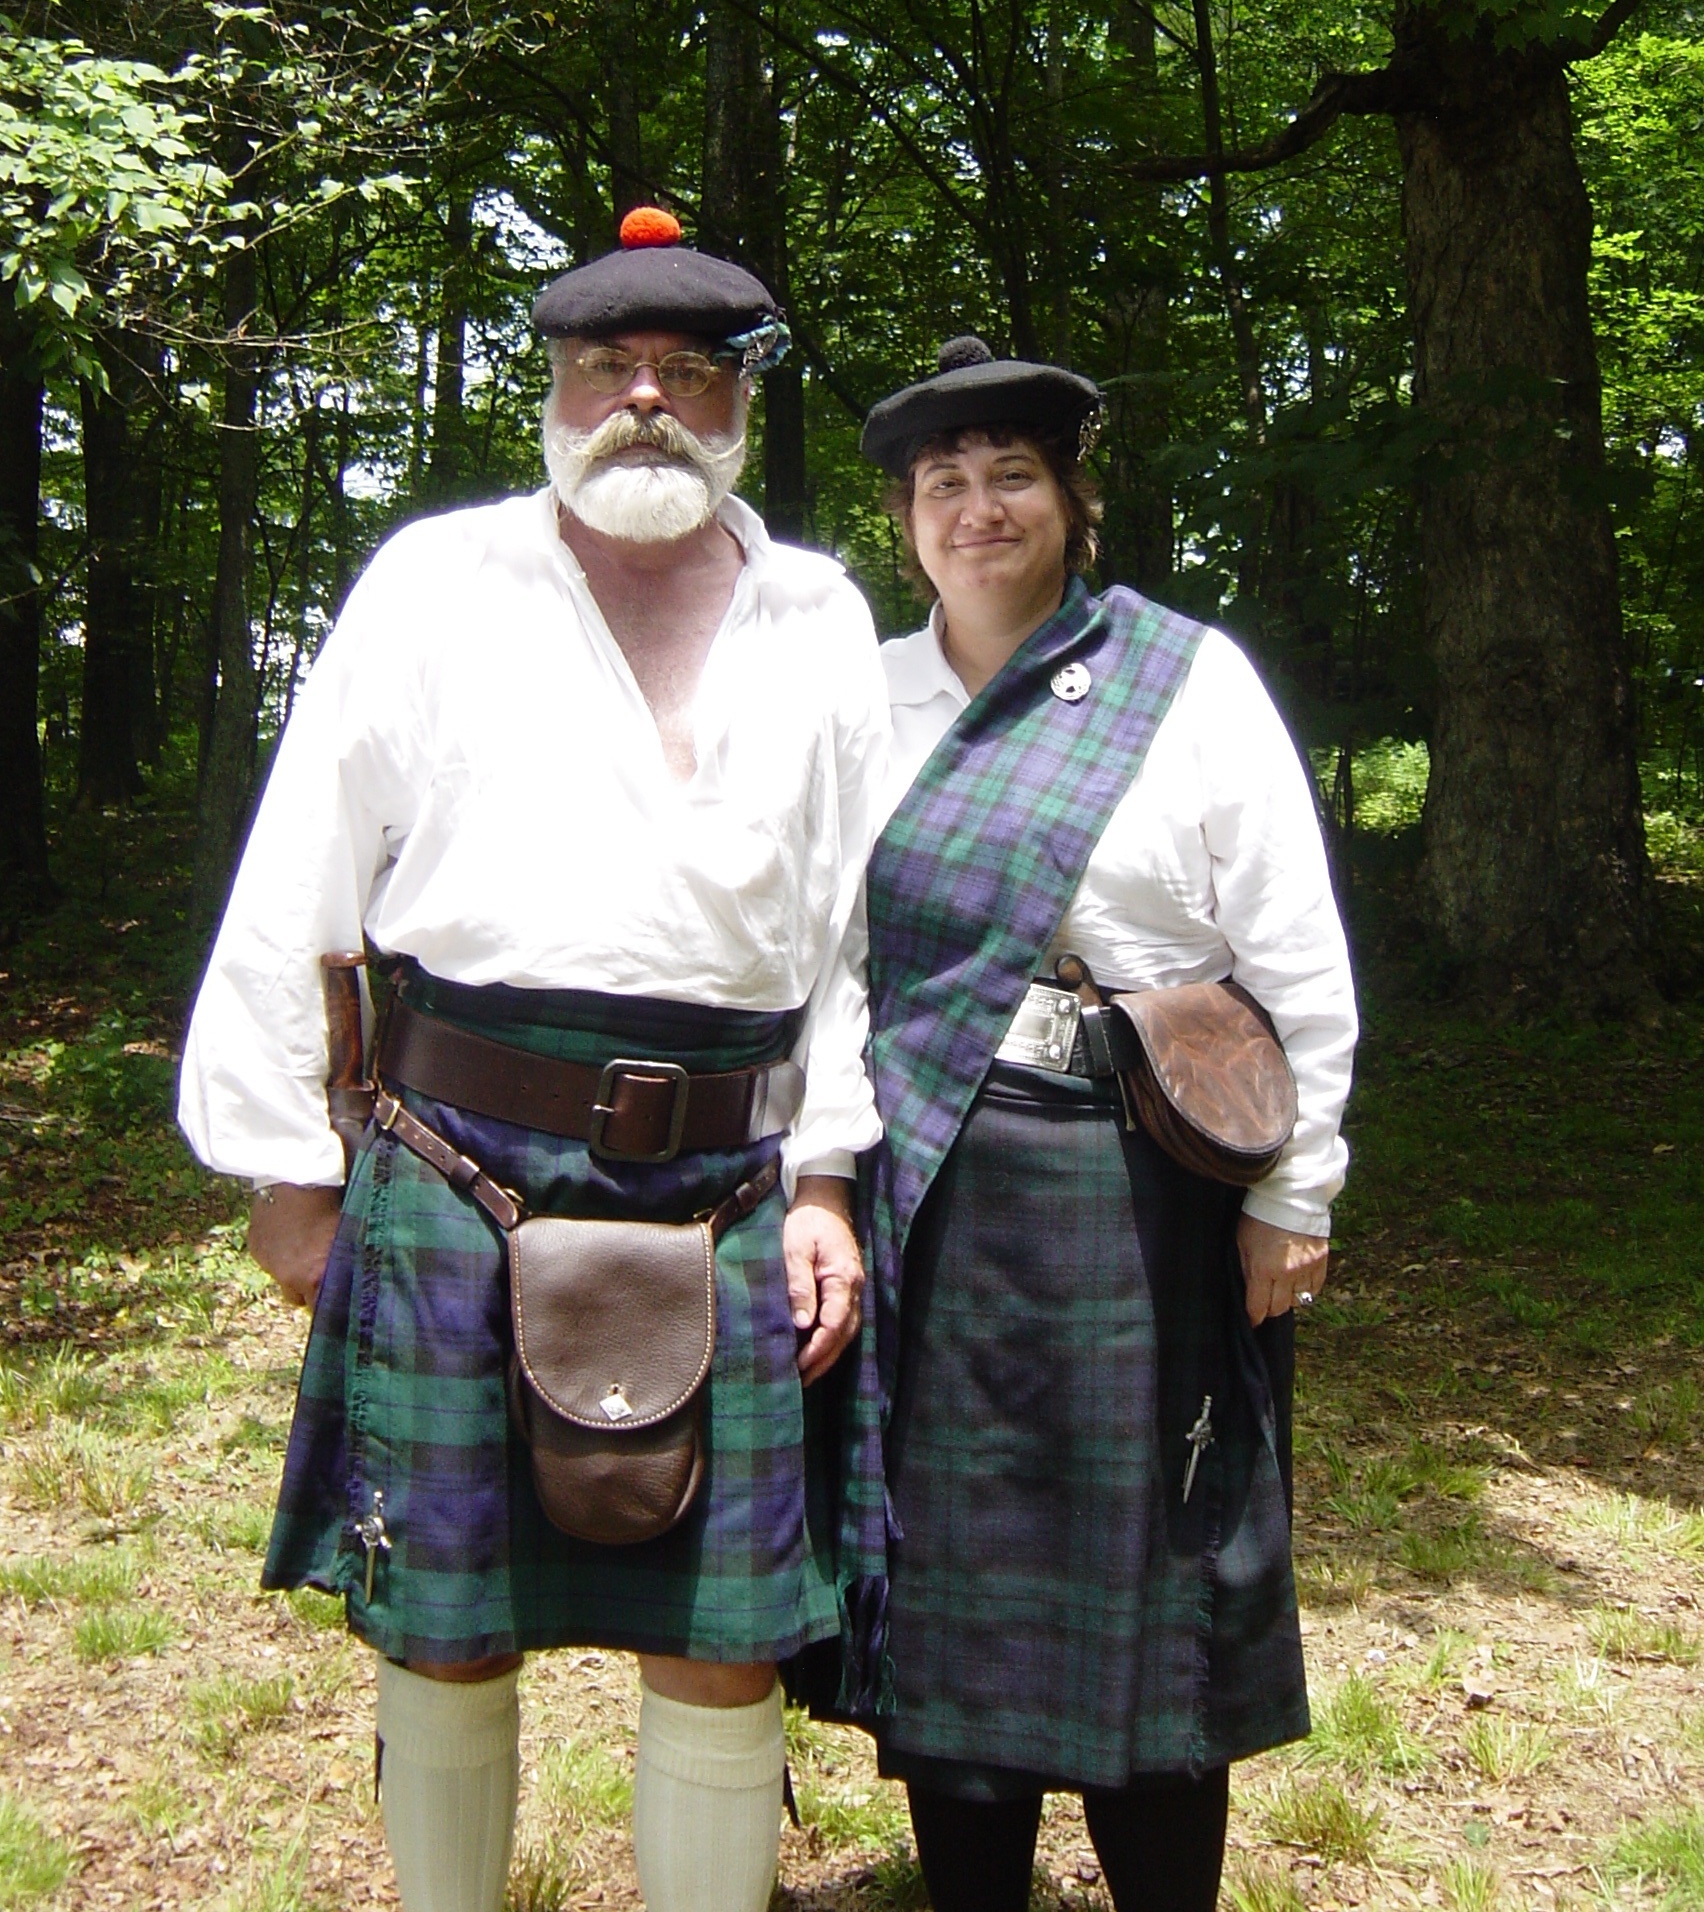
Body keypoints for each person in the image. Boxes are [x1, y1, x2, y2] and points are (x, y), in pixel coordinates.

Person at [178, 206, 890, 1912]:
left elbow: (856, 929)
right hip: (457, 1149)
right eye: (605, 365)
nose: (646, 398)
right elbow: (305, 867)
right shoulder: (439, 579)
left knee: (721, 1636)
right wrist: (286, 1166)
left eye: (690, 371)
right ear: (554, 391)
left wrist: (825, 1178)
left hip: (733, 1171)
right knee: (445, 1619)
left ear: (739, 403)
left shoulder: (816, 609)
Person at [846, 336, 1357, 1912]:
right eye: (943, 482)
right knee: (954, 1586)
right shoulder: (862, 695)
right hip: (930, 1173)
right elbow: (820, 958)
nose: (977, 507)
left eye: (1013, 475)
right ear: (907, 518)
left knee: (1154, 1576)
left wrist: (1297, 1188)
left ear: (1074, 501)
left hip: (1144, 1178)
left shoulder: (1183, 675)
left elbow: (1294, 948)